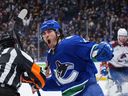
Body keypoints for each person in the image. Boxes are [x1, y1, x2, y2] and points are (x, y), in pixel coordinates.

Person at [39, 19, 113, 96]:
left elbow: (95, 51)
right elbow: (59, 82)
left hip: (88, 91)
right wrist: (42, 83)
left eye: (49, 31)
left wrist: (101, 50)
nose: (46, 35)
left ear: (57, 33)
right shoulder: (50, 56)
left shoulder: (70, 43)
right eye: (43, 33)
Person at [101, 28, 128, 96]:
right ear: (118, 36)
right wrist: (103, 67)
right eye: (121, 36)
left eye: (125, 36)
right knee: (118, 84)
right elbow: (104, 57)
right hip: (114, 69)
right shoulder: (111, 46)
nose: (123, 38)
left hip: (125, 69)